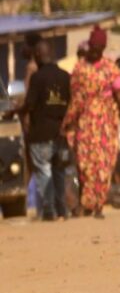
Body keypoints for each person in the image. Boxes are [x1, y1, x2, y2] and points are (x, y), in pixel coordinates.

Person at [60, 27, 120, 218]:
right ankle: (87, 203)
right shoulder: (80, 69)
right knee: (85, 165)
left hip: (106, 125)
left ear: (103, 48)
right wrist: (67, 122)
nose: (95, 51)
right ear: (89, 45)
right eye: (93, 46)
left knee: (104, 165)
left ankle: (98, 205)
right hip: (85, 124)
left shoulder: (110, 69)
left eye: (99, 48)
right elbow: (75, 99)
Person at [18, 40, 70, 221]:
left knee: (44, 172)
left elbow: (30, 105)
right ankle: (62, 211)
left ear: (38, 56)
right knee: (59, 173)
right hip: (61, 135)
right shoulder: (65, 76)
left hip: (41, 135)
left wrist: (16, 111)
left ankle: (49, 211)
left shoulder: (37, 78)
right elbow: (71, 105)